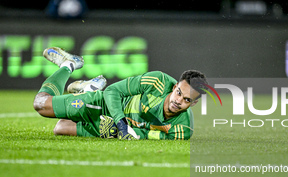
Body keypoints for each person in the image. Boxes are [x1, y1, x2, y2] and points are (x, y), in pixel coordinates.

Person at [33, 47, 207, 140]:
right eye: (178, 93)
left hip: (112, 128)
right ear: (175, 86)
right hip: (108, 106)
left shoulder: (183, 128)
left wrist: (121, 131)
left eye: (186, 100)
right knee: (41, 105)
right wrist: (120, 122)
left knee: (60, 128)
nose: (178, 101)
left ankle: (87, 89)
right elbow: (112, 91)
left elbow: (150, 136)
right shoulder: (157, 81)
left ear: (193, 103)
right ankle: (69, 64)